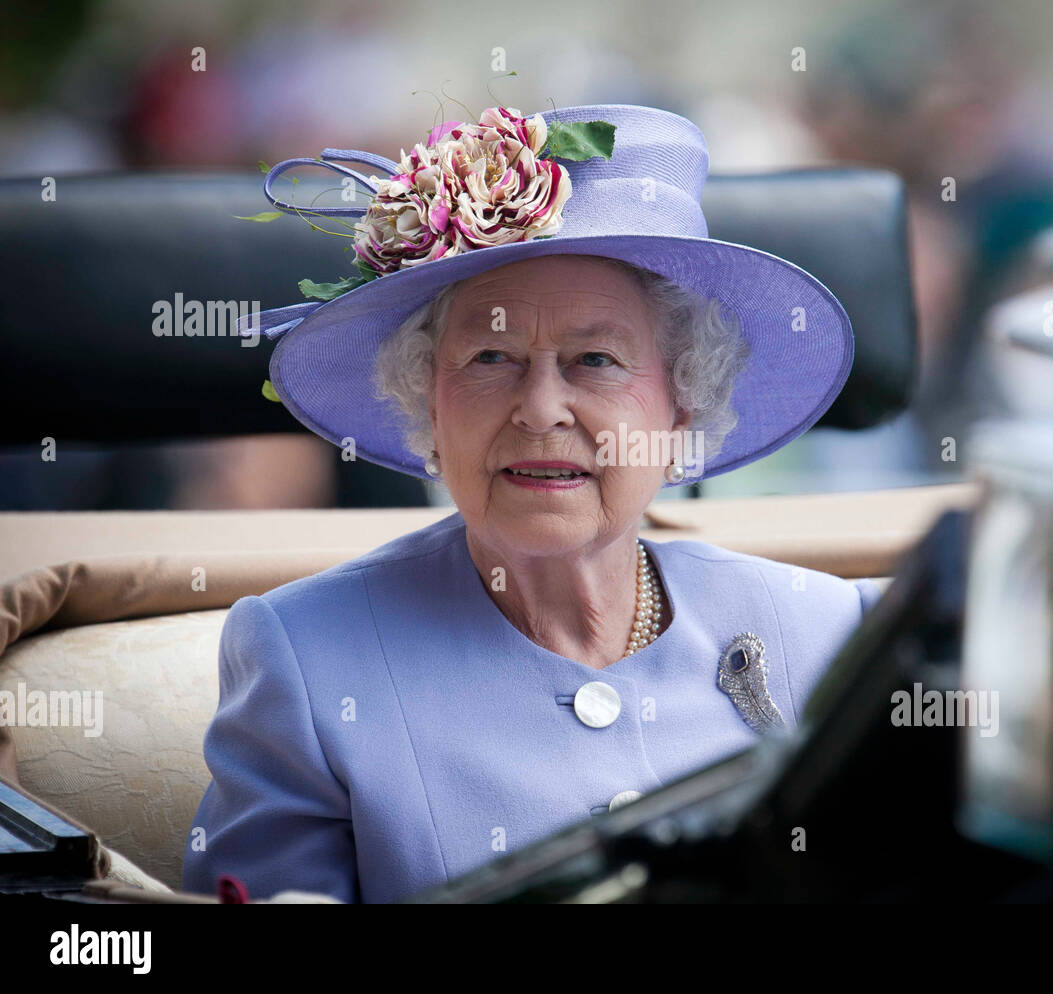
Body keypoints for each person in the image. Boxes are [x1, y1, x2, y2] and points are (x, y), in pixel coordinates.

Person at [182, 103, 881, 902]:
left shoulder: (827, 633)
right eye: (491, 356)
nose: (541, 408)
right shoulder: (306, 661)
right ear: (428, 406)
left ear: (680, 406)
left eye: (595, 358)